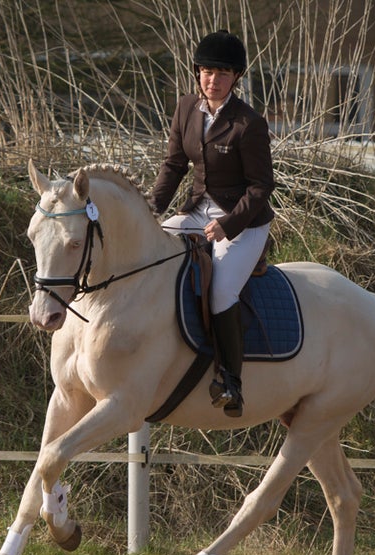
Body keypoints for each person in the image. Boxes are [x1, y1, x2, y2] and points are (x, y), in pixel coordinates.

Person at [150, 30, 275, 418]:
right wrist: (151, 208)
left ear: (235, 77)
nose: (213, 80)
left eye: (222, 73)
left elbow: (261, 187)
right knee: (152, 251)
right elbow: (174, 165)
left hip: (244, 220)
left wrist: (229, 225)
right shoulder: (187, 108)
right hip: (197, 208)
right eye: (206, 71)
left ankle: (230, 381)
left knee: (221, 290)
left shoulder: (248, 123)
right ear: (197, 73)